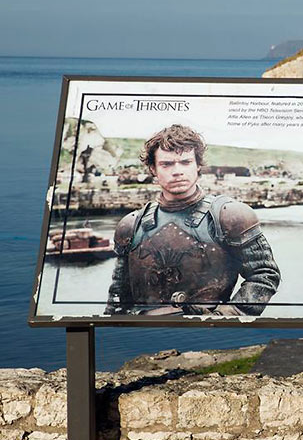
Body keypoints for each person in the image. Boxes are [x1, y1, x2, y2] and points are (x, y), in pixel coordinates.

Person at [106, 124, 280, 316]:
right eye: (167, 164)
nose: (177, 171)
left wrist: (228, 316)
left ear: (198, 165)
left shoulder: (229, 216)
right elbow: (118, 296)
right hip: (143, 335)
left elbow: (264, 274)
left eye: (185, 162)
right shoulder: (131, 226)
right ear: (153, 169)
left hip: (208, 335)